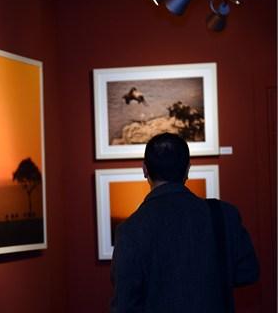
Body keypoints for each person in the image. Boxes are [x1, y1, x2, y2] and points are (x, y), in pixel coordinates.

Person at [110, 132, 259, 313]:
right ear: (188, 168)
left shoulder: (130, 229)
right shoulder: (224, 214)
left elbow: (125, 304)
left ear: (145, 170)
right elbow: (247, 273)